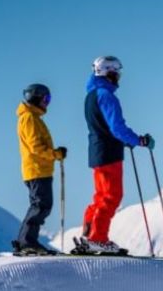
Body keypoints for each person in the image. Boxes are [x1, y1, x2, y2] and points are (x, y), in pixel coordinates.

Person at [81, 56, 154, 253]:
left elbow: (103, 126)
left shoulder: (91, 96)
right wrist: (138, 140)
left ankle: (88, 236)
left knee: (100, 196)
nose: (119, 77)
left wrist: (125, 139)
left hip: (97, 152)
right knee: (112, 196)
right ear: (108, 73)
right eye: (116, 73)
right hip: (109, 153)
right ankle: (98, 239)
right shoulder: (106, 95)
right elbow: (116, 127)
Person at [14, 84, 67, 255]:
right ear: (35, 98)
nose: (48, 103)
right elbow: (35, 147)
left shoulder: (33, 117)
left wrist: (55, 154)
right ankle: (27, 241)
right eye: (46, 99)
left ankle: (26, 241)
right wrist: (55, 154)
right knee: (41, 206)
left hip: (39, 169)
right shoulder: (29, 118)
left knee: (40, 205)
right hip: (37, 169)